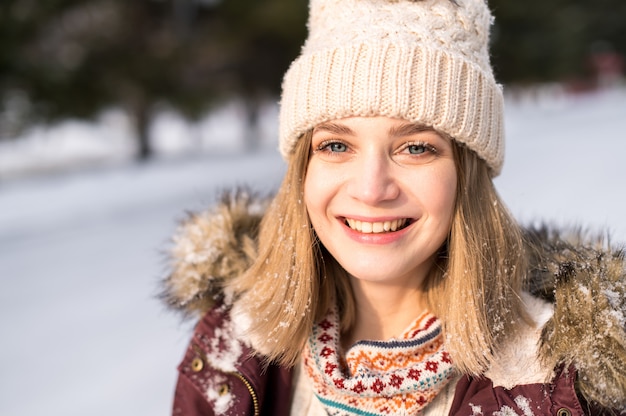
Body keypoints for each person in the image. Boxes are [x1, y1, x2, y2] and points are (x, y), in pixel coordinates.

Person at [161, 0, 626, 414]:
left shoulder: (555, 385)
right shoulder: (232, 347)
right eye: (336, 145)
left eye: (416, 148)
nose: (371, 188)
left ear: (468, 175)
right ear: (302, 169)